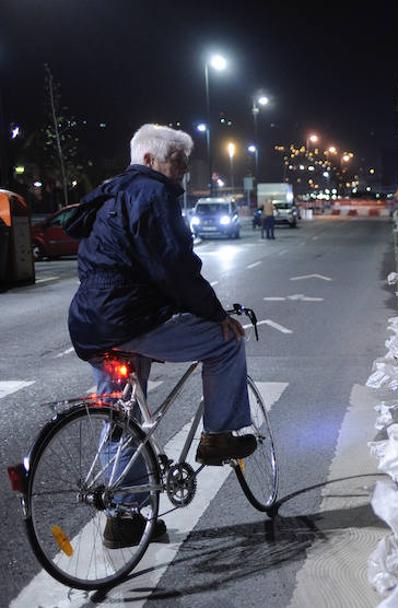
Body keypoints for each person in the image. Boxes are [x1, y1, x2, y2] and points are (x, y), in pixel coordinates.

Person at [65, 124, 256, 549]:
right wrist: (216, 314)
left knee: (121, 418)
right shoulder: (152, 193)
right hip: (133, 319)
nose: (183, 172)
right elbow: (174, 265)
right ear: (149, 160)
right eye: (177, 163)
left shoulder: (110, 192)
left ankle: (124, 519)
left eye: (186, 164)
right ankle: (217, 437)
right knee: (226, 342)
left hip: (92, 322)